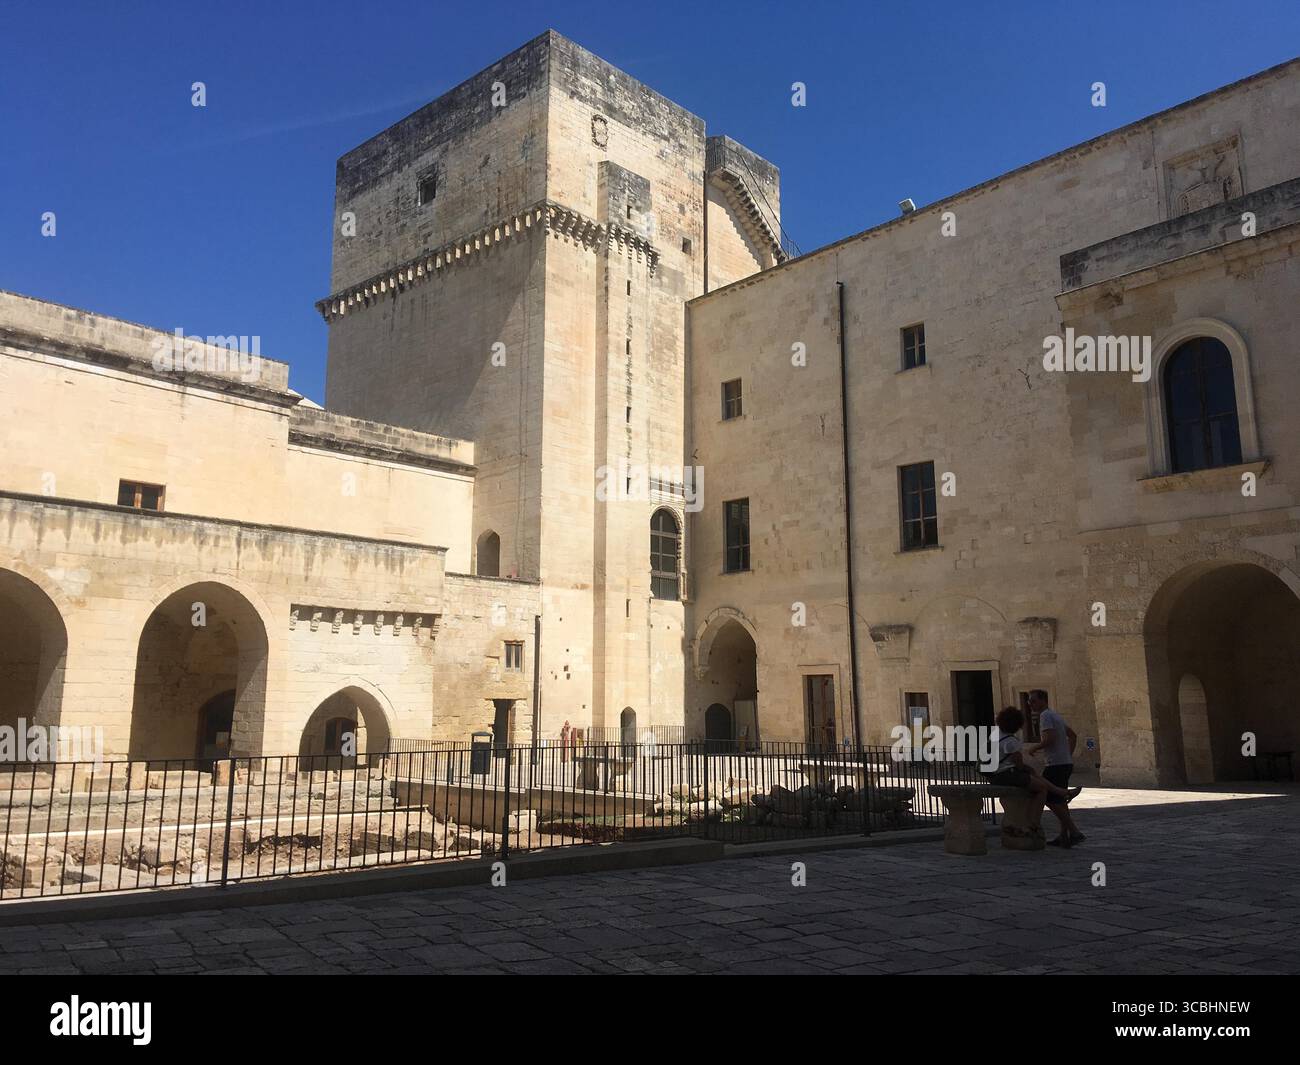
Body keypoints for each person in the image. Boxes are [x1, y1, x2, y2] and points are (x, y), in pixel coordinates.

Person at [986, 707, 1080, 817]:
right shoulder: (1011, 741)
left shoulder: (995, 735)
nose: (1029, 704)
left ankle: (1063, 793)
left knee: (1035, 776)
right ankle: (1034, 822)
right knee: (1042, 790)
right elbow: (1018, 763)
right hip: (1004, 775)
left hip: (994, 775)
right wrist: (1031, 754)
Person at [1024, 690, 1086, 848]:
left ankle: (1074, 831)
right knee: (1059, 800)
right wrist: (1068, 755)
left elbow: (1049, 739)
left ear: (1043, 700)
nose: (1030, 704)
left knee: (1049, 797)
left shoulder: (1045, 716)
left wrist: (1033, 748)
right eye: (1029, 701)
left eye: (1033, 701)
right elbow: (1072, 735)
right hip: (1064, 762)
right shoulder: (1055, 715)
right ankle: (1063, 835)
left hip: (1055, 764)